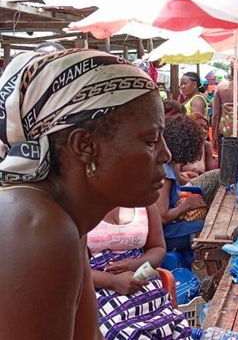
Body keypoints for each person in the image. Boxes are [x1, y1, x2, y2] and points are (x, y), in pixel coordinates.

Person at [0, 48, 171, 340]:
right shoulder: (39, 228)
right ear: (85, 145)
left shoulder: (64, 219)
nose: (166, 154)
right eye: (151, 140)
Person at [87, 204, 191, 340]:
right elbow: (72, 270)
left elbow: (158, 248)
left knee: (170, 323)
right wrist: (113, 282)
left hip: (141, 277)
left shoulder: (145, 202)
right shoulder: (81, 206)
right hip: (96, 285)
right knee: (118, 330)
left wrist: (136, 266)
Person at [157, 114, 207, 254]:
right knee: (210, 228)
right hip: (164, 235)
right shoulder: (165, 173)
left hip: (166, 230)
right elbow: (161, 217)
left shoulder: (167, 167)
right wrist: (187, 205)